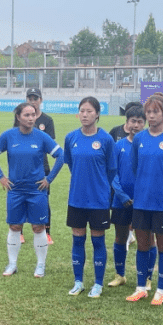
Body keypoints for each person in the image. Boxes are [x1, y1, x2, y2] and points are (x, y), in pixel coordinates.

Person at [0, 101, 64, 278]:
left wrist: (49, 179)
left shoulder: (41, 137)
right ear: (18, 117)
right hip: (16, 190)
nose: (31, 118)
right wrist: (1, 176)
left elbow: (60, 155)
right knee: (14, 226)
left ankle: (41, 265)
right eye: (26, 115)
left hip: (36, 190)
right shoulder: (9, 136)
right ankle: (12, 264)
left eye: (33, 114)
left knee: (38, 227)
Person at [125, 93, 163, 306]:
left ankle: (160, 290)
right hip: (142, 202)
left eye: (155, 112)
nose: (151, 116)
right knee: (142, 245)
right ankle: (141, 287)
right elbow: (134, 167)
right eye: (148, 112)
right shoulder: (139, 139)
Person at [60, 96, 116, 297]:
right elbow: (72, 165)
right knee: (77, 240)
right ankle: (78, 281)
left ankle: (98, 284)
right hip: (77, 199)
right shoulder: (71, 138)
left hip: (99, 200)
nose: (84, 114)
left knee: (98, 241)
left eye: (89, 111)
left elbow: (111, 170)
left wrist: (99, 187)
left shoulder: (106, 139)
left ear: (98, 114)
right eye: (82, 110)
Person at [107, 104, 145, 288]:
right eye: (133, 121)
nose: (135, 125)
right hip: (121, 201)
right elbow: (112, 172)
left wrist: (142, 196)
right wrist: (121, 194)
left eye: (139, 121)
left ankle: (145, 277)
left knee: (145, 240)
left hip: (143, 202)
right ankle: (120, 274)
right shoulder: (118, 145)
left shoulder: (148, 144)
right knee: (120, 237)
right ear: (127, 123)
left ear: (144, 123)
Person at [25, 88, 57, 243]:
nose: (32, 101)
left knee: (43, 200)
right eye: (30, 98)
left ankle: (47, 231)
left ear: (41, 100)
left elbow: (49, 144)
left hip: (42, 167)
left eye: (35, 98)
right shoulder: (20, 118)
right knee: (22, 198)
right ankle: (20, 232)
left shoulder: (47, 120)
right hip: (23, 167)